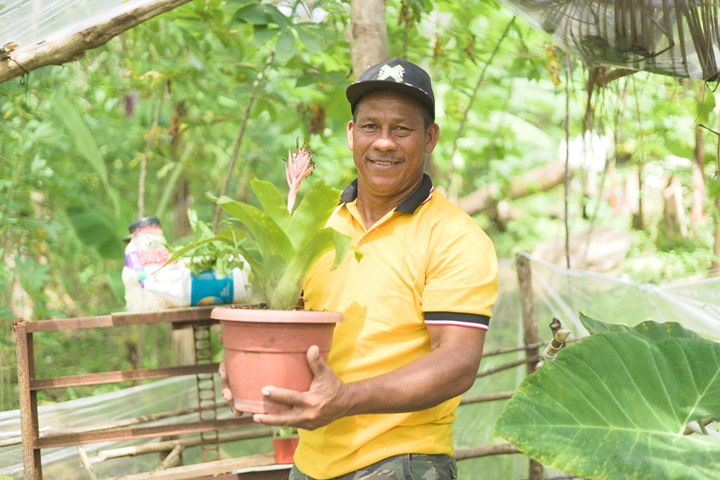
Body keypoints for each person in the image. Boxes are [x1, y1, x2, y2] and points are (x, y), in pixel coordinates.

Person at [220, 57, 499, 480]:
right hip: (309, 464)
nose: (383, 142)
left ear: (430, 138)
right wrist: (244, 363)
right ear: (352, 134)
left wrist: (347, 398)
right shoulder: (318, 228)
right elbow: (282, 325)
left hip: (403, 461)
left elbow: (458, 362)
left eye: (401, 129)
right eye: (371, 127)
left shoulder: (456, 237)